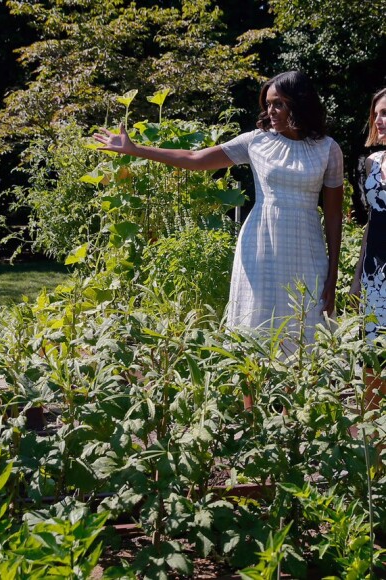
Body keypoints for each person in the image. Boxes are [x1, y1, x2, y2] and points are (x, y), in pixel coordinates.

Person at [94, 71, 344, 408]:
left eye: (279, 104)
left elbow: (333, 215)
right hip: (261, 247)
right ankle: (251, 416)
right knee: (257, 325)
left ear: (299, 103)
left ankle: (298, 418)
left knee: (305, 325)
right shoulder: (256, 141)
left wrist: (334, 272)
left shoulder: (328, 150)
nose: (271, 111)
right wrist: (135, 149)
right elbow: (197, 160)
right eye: (268, 105)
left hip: (307, 246)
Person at [350, 87, 386, 412]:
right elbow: (371, 223)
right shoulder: (372, 163)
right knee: (373, 355)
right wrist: (357, 276)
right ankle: (375, 450)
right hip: (376, 275)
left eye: (385, 113)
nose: (379, 120)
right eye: (376, 114)